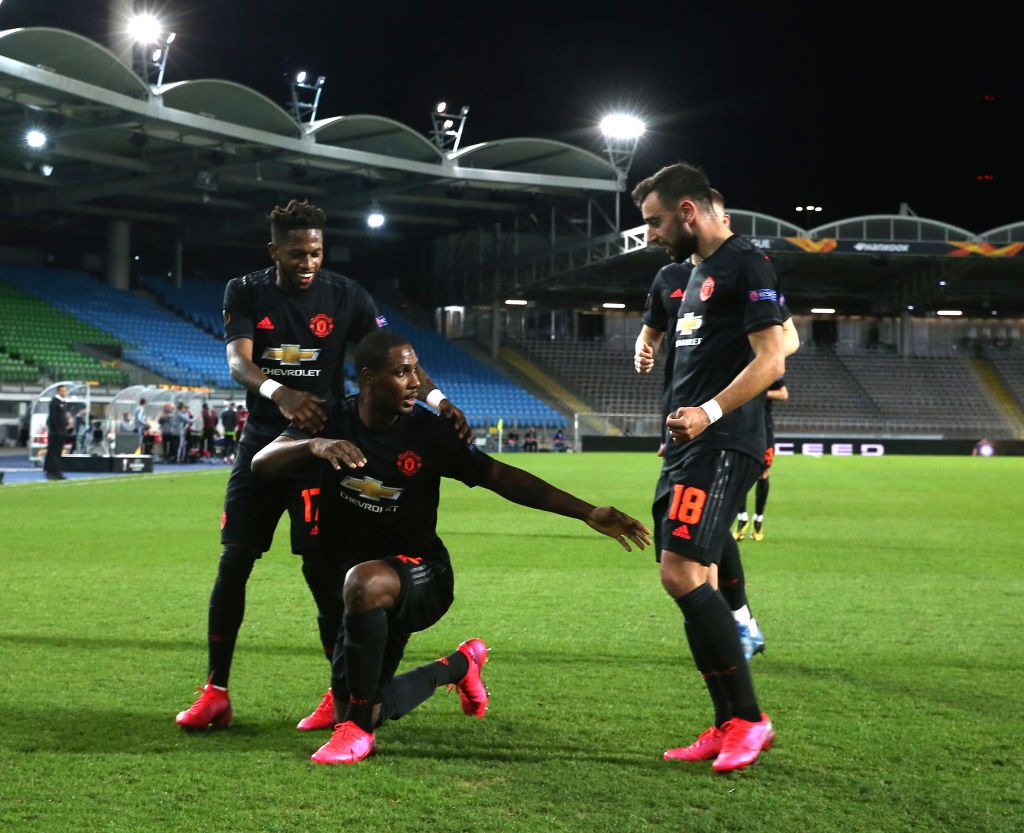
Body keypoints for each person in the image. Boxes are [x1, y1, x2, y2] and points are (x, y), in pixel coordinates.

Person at [251, 330, 651, 764]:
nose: (414, 383)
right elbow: (261, 463)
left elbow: (500, 477)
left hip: (421, 574)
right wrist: (313, 445)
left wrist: (587, 511)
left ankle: (358, 734)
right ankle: (459, 666)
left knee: (364, 586)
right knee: (366, 700)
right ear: (368, 377)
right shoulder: (332, 419)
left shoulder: (429, 433)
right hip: (362, 584)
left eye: (415, 371)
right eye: (401, 373)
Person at [176, 199, 469, 731]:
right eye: (296, 254)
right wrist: (280, 393)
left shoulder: (348, 295)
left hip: (325, 448)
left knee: (324, 571)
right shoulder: (245, 290)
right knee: (234, 562)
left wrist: (439, 399)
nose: (308, 262)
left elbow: (394, 353)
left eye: (315, 252)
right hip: (265, 444)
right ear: (274, 252)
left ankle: (339, 695)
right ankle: (216, 690)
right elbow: (238, 361)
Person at [633, 162, 786, 772]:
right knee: (688, 574)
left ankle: (748, 719)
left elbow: (773, 358)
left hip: (724, 441)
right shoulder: (691, 274)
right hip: (687, 445)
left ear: (688, 211)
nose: (649, 234)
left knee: (682, 573)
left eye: (654, 221)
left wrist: (708, 412)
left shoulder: (747, 263)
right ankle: (728, 722)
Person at [735, 378, 789, 543]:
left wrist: (759, 393)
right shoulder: (736, 368)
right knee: (738, 472)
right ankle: (742, 518)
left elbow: (783, 394)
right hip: (740, 428)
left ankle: (758, 520)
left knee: (763, 473)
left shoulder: (767, 369)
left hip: (763, 429)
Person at [43, 384, 68, 480]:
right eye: (62, 391)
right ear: (58, 391)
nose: (64, 392)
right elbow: (53, 418)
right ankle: (52, 471)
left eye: (65, 391)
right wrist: (57, 430)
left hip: (61, 432)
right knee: (53, 452)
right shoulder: (54, 402)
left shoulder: (63, 402)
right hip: (55, 433)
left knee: (57, 452)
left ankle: (56, 471)